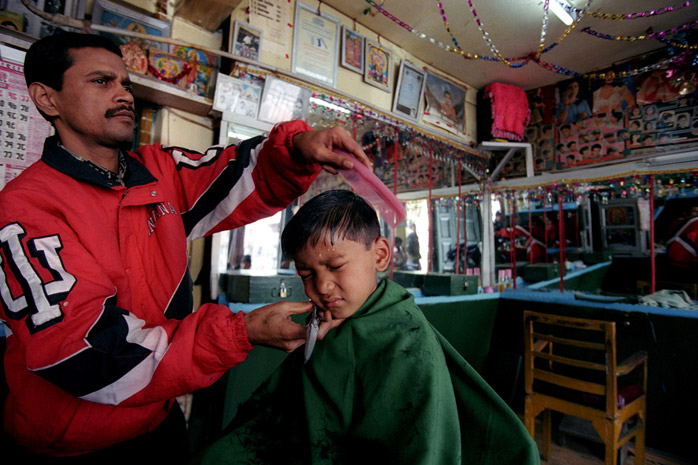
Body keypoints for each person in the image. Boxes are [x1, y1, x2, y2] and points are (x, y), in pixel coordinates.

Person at [0, 32, 369, 462]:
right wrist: (240, 332)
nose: (122, 94)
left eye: (125, 83)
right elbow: (88, 354)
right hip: (74, 443)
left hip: (159, 419)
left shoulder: (158, 173)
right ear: (47, 99)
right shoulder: (26, 210)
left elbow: (239, 177)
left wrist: (297, 151)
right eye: (102, 81)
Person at [191, 190, 540, 465]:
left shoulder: (406, 340)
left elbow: (421, 448)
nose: (322, 287)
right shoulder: (325, 323)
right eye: (307, 274)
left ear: (381, 255)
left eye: (335, 265)